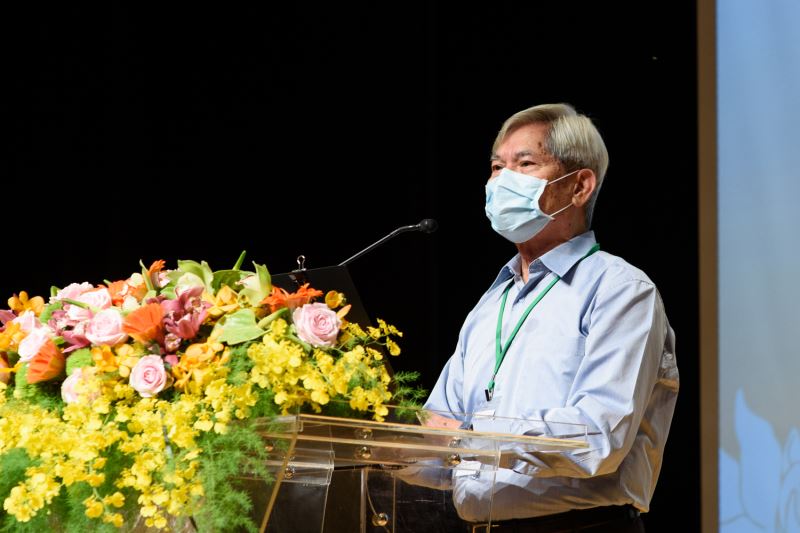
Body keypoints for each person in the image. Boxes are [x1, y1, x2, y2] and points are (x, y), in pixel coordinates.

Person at [423, 103, 679, 532]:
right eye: (496, 167)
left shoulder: (620, 290)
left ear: (579, 186)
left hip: (581, 526)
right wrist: (379, 436)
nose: (502, 181)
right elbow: (438, 432)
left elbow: (597, 437)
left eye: (525, 164)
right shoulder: (490, 304)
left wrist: (472, 435)